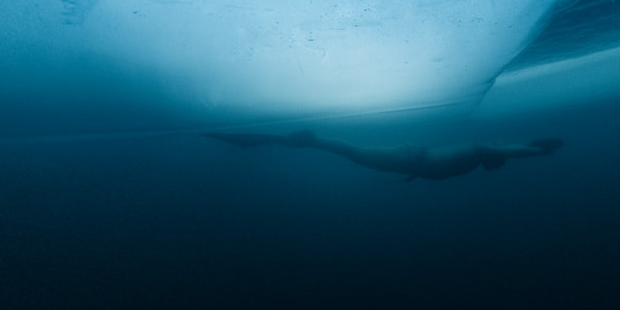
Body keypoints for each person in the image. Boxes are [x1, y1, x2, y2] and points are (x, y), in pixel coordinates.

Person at [205, 130, 564, 180]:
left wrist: (532, 149)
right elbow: (504, 150)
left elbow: (502, 150)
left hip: (408, 160)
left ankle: (296, 139)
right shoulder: (479, 152)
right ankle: (269, 139)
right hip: (407, 159)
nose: (499, 160)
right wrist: (537, 151)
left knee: (346, 151)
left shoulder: (473, 159)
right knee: (344, 150)